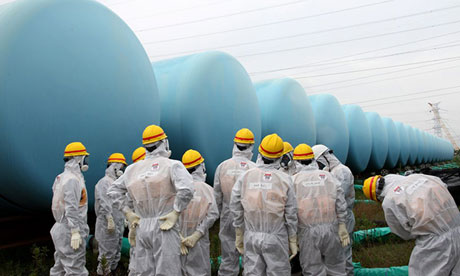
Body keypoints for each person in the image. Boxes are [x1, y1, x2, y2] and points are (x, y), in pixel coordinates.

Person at [108, 124, 194, 275]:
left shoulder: (132, 169)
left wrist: (127, 212)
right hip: (164, 226)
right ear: (164, 142)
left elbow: (113, 191)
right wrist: (176, 211)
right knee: (168, 271)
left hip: (142, 227)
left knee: (144, 271)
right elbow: (187, 189)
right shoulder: (172, 165)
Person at [363, 174, 460, 276]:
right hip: (457, 226)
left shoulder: (389, 201)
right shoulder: (419, 177)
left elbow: (403, 233)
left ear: (377, 197)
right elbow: (443, 187)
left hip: (434, 242)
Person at [230, 133, 298, 276]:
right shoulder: (285, 180)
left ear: (260, 152)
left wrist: (239, 232)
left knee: (252, 272)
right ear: (280, 156)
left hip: (251, 236)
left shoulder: (246, 176)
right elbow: (291, 213)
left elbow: (235, 205)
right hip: (276, 237)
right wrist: (292, 238)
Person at [292, 144, 349, 276]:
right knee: (337, 268)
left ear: (296, 162)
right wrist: (342, 225)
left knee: (313, 270)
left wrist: (292, 234)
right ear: (313, 160)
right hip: (332, 229)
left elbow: (290, 210)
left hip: (307, 232)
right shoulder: (329, 176)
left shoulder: (293, 181)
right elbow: (341, 203)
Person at [214, 128, 257, 276]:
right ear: (251, 146)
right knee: (250, 259)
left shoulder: (222, 166)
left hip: (227, 216)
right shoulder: (254, 169)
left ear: (235, 144)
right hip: (248, 219)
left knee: (227, 258)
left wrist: (218, 217)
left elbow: (217, 197)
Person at [312, 144, 355, 276]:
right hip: (334, 219)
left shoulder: (341, 171)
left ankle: (347, 273)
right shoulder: (332, 171)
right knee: (335, 253)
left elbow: (338, 196)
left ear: (325, 158)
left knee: (343, 252)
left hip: (343, 217)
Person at [50, 142, 90, 276]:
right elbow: (71, 207)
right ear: (78, 158)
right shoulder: (73, 180)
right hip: (69, 230)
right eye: (85, 157)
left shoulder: (61, 177)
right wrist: (75, 231)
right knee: (75, 269)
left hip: (61, 228)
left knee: (60, 267)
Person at [180, 149, 219, 276]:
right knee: (199, 270)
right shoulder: (208, 190)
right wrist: (197, 234)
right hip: (199, 240)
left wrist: (178, 236)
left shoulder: (176, 188)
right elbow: (213, 215)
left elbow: (168, 213)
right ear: (201, 167)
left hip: (177, 240)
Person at [95, 153, 128, 275]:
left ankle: (113, 272)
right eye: (122, 167)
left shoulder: (117, 183)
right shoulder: (104, 182)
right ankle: (103, 273)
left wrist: (124, 217)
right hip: (107, 224)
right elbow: (104, 202)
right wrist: (109, 218)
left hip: (117, 223)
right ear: (115, 167)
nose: (123, 170)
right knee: (107, 253)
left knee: (116, 251)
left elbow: (119, 202)